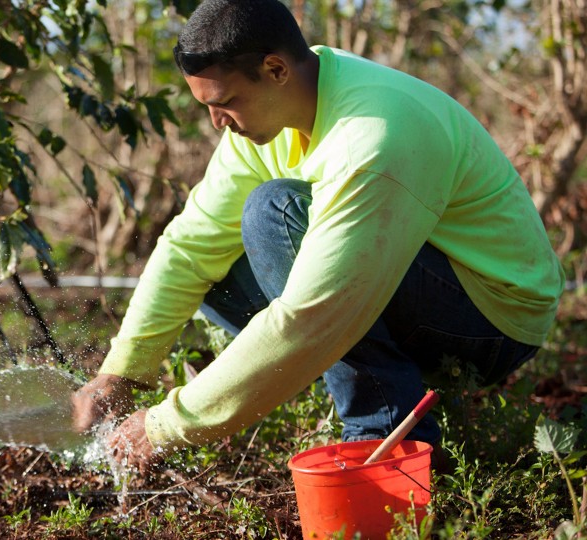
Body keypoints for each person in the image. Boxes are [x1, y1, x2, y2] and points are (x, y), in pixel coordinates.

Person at [71, 0, 564, 473]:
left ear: (276, 69)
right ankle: (370, 382)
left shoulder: (372, 132)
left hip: (494, 317)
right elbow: (188, 246)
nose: (217, 122)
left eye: (224, 103)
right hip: (410, 287)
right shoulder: (269, 119)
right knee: (212, 275)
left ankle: (384, 435)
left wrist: (163, 427)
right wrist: (122, 372)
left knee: (274, 213)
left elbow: (314, 313)